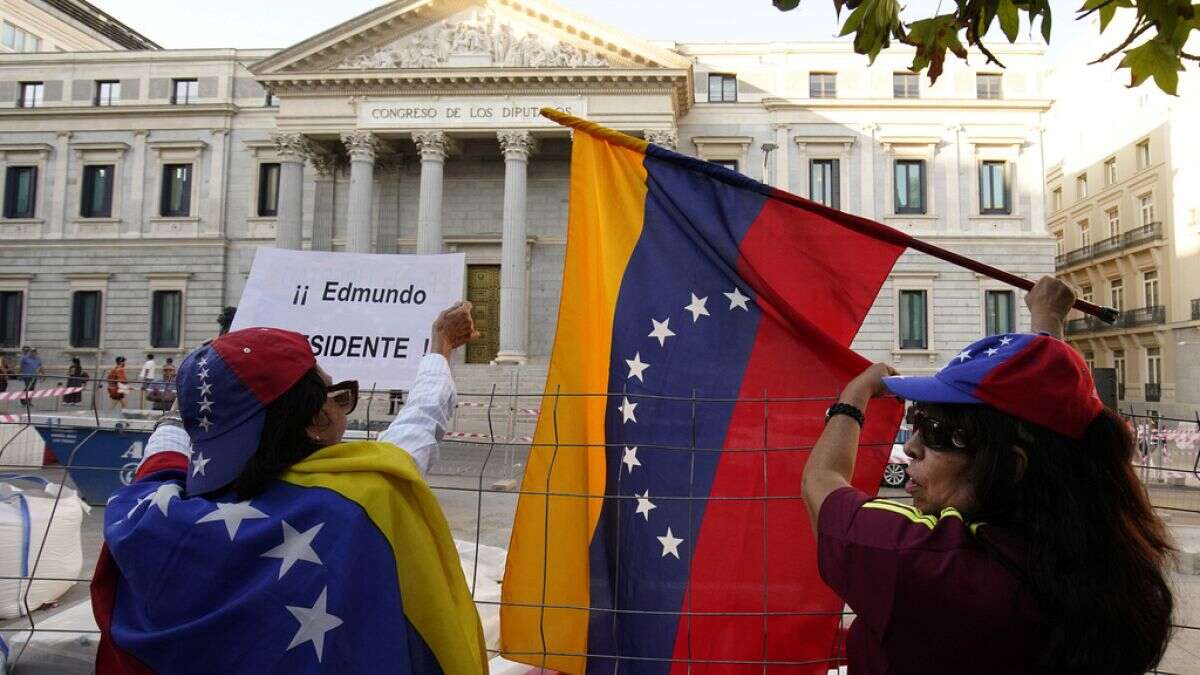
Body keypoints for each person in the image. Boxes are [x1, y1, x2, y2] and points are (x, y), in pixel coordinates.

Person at [803, 276, 1173, 674]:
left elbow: (821, 481)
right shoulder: (1119, 568)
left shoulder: (927, 563)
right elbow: (1048, 419)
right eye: (918, 421)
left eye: (938, 432)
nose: (912, 445)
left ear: (1011, 467)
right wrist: (1046, 326)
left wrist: (853, 397)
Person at [92, 302, 487, 673]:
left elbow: (165, 452)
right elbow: (418, 426)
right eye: (337, 395)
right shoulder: (356, 502)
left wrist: (205, 391)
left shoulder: (148, 517)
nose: (341, 404)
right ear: (317, 420)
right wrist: (440, 349)